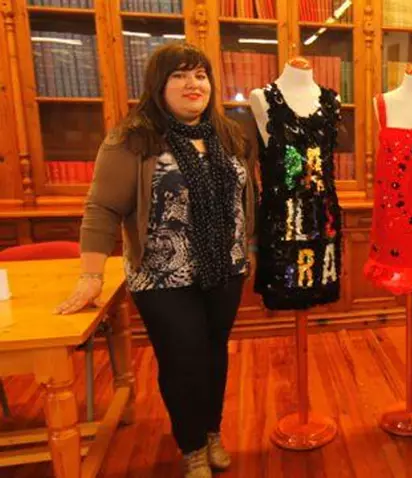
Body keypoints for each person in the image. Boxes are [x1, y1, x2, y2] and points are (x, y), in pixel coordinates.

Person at [55, 43, 256, 478]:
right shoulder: (133, 139)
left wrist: (248, 247)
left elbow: (244, 199)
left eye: (200, 75)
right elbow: (102, 208)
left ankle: (212, 431)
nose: (192, 84)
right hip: (161, 276)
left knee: (213, 353)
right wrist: (91, 275)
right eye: (179, 75)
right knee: (183, 358)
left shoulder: (228, 134)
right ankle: (192, 445)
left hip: (225, 268)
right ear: (158, 85)